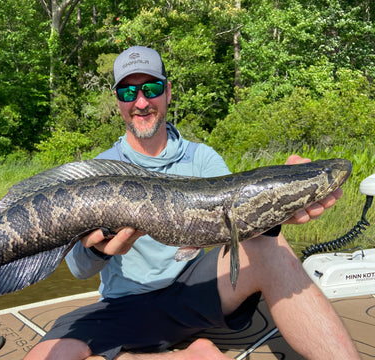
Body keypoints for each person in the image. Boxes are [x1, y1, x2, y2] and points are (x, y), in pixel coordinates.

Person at [25, 46, 360, 360]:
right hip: (125, 306)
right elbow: (80, 269)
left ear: (168, 91)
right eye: (129, 93)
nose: (141, 102)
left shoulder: (203, 158)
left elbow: (240, 225)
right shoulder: (98, 172)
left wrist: (280, 207)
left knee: (272, 246)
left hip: (194, 292)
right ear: (119, 102)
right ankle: (186, 355)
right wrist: (100, 250)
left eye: (151, 89)